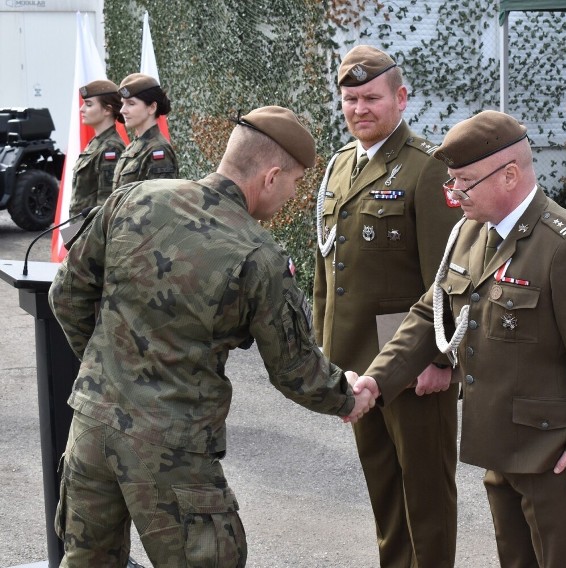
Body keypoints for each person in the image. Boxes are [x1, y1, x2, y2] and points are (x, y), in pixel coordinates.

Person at [48, 106, 374, 567]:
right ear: (271, 176)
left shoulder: (133, 198)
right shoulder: (258, 254)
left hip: (91, 429)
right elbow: (295, 370)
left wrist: (108, 370)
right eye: (296, 183)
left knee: (86, 561)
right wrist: (347, 397)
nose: (293, 195)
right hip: (173, 450)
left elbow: (66, 295)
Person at [355, 110, 566, 567]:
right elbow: (432, 313)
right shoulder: (470, 232)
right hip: (500, 448)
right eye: (451, 181)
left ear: (509, 175)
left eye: (463, 181)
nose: (452, 193)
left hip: (555, 458)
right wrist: (377, 380)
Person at [313, 45, 462, 567]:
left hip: (412, 361)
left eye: (371, 97)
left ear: (400, 98)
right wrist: (325, 352)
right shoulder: (338, 167)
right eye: (350, 99)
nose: (359, 109)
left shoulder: (427, 169)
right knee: (384, 491)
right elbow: (327, 270)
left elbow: (447, 279)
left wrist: (440, 359)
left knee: (425, 496)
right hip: (356, 362)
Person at [69, 79, 126, 216]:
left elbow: (105, 206)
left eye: (88, 105)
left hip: (91, 230)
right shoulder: (98, 143)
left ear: (107, 109)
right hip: (80, 227)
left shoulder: (111, 148)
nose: (81, 109)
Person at [112, 73, 178, 189]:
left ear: (152, 107)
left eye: (131, 104)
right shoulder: (134, 147)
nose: (123, 110)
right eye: (123, 104)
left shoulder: (158, 150)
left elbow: (158, 200)